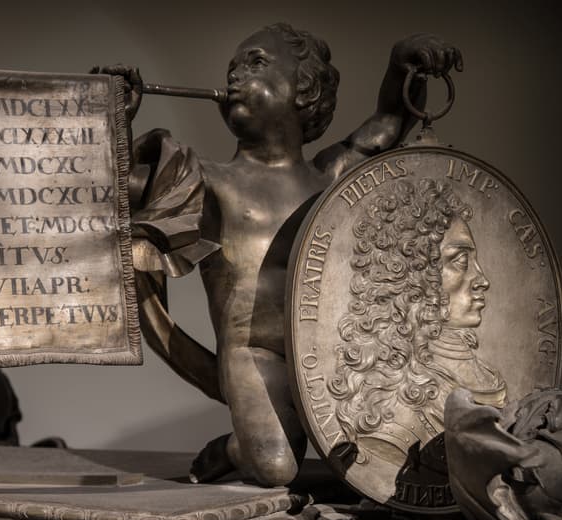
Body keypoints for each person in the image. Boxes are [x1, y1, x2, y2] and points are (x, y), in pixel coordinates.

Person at [97, 23, 462, 486]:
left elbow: (390, 122)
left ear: (304, 89)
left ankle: (252, 445)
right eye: (232, 68)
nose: (235, 76)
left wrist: (402, 63)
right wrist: (112, 119)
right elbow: (111, 190)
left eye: (255, 63)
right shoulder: (205, 180)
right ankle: (236, 448)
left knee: (382, 468)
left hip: (333, 352)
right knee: (276, 468)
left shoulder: (330, 176)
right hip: (253, 351)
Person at [330, 178, 505, 463]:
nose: (482, 279)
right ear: (415, 274)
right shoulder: (394, 415)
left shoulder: (487, 376)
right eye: (461, 261)